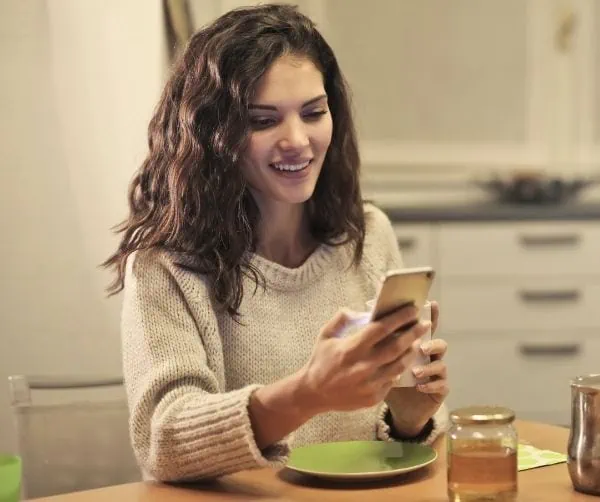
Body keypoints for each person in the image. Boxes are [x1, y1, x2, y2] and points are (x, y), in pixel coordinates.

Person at [102, 4, 449, 482]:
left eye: (313, 113)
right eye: (262, 121)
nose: (298, 141)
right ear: (212, 133)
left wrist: (408, 417)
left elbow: (392, 446)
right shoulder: (164, 266)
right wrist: (310, 392)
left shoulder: (368, 237)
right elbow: (165, 444)